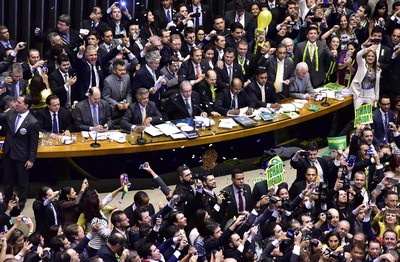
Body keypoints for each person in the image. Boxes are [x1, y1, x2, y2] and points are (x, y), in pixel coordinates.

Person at [0, 94, 39, 211]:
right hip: (8, 152)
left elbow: (34, 143)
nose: (16, 104)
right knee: (7, 178)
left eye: (19, 102)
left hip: (22, 155)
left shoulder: (33, 122)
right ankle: (7, 201)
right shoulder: (12, 112)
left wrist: (31, 159)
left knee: (22, 181)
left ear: (26, 106)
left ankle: (21, 203)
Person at [349, 45, 381, 109]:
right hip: (359, 94)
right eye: (368, 56)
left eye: (372, 56)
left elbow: (377, 84)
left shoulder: (378, 70)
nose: (370, 58)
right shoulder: (362, 63)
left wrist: (377, 97)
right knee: (358, 115)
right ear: (366, 57)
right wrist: (368, 49)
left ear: (375, 58)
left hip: (370, 95)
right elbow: (358, 55)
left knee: (367, 116)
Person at [102, 60, 132, 126]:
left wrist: (128, 102)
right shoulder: (108, 81)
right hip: (113, 108)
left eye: (124, 70)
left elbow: (129, 92)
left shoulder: (127, 77)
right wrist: (116, 104)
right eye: (120, 70)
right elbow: (105, 97)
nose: (123, 72)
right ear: (114, 71)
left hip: (125, 107)